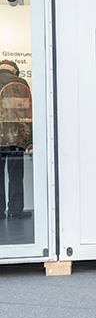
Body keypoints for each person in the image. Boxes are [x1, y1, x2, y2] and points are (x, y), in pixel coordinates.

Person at [0, 60, 32, 220]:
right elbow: (25, 113)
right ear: (15, 71)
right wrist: (29, 138)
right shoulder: (20, 83)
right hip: (15, 137)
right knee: (16, 176)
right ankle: (15, 210)